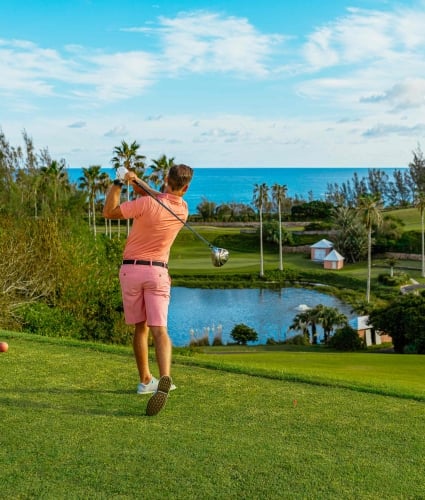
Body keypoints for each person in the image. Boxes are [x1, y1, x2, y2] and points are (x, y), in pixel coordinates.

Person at [103, 164, 194, 416]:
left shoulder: (145, 205)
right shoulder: (182, 210)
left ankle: (145, 380)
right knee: (159, 330)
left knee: (140, 328)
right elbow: (160, 197)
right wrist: (136, 180)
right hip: (157, 273)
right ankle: (165, 377)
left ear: (166, 179)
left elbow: (109, 212)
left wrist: (120, 182)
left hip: (131, 272)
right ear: (185, 188)